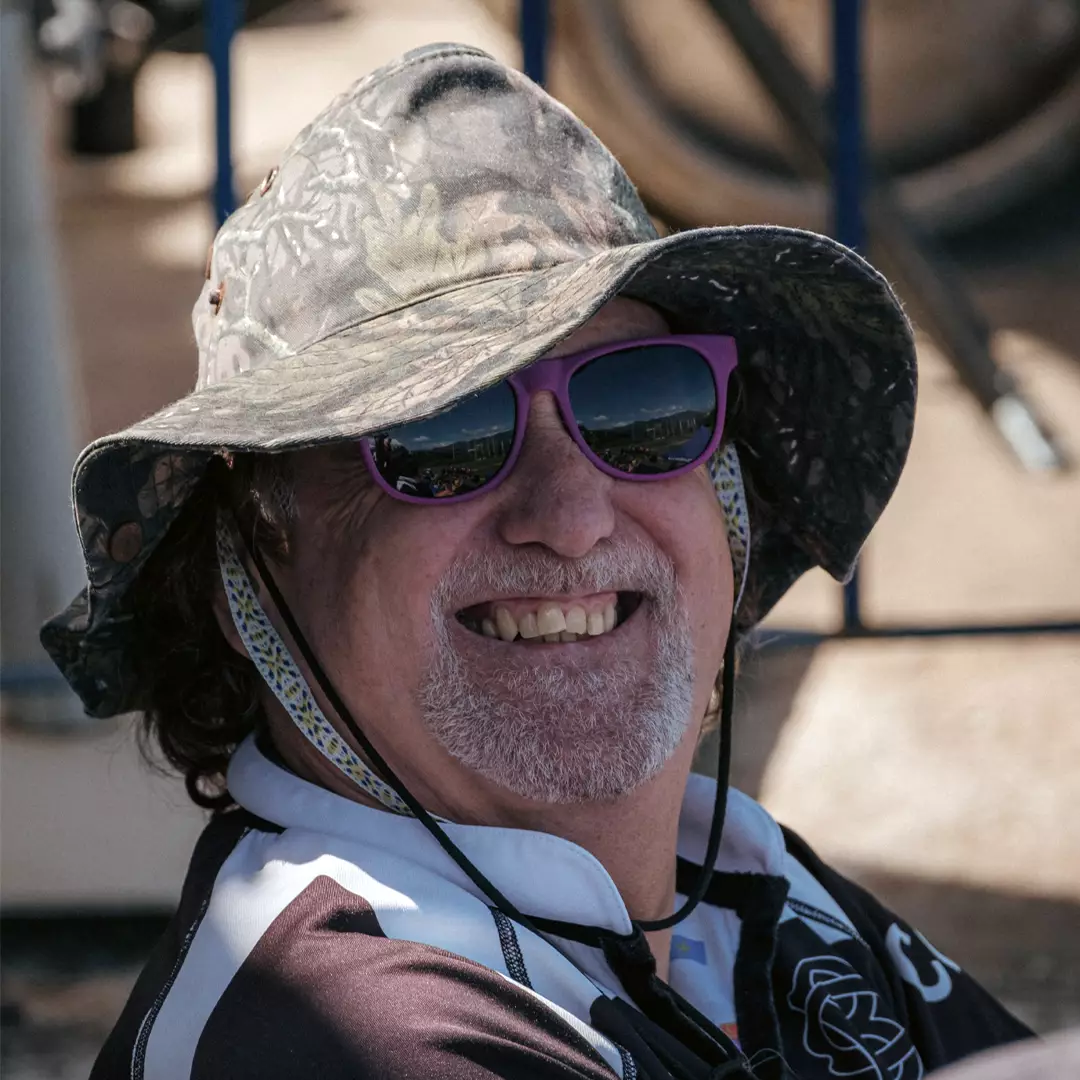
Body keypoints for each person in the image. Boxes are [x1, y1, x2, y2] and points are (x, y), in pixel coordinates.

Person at [44, 43, 1033, 1080]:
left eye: (642, 405)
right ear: (244, 569)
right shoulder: (339, 1034)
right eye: (443, 435)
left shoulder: (741, 880)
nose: (571, 518)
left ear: (728, 499)